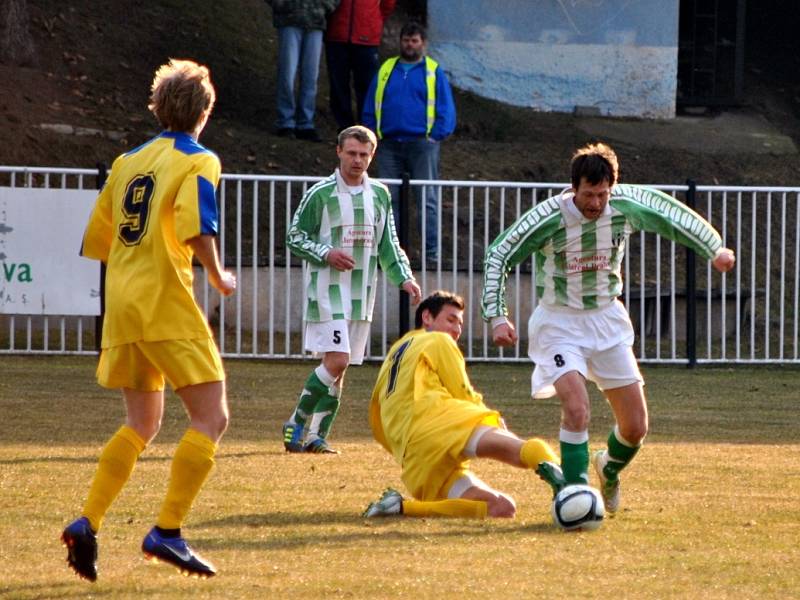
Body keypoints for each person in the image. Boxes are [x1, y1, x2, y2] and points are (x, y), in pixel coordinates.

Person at [481, 142, 736, 514]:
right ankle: (574, 494)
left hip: (606, 320)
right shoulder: (549, 217)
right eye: (588, 194)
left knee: (635, 427)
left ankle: (608, 468)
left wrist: (715, 248)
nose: (596, 203)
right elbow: (499, 253)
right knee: (577, 407)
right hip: (559, 322)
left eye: (602, 194)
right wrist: (497, 315)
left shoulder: (626, 205)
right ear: (573, 188)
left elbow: (672, 215)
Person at [60, 59, 236, 582]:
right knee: (212, 418)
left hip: (123, 302)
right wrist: (218, 274)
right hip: (165, 299)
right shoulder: (200, 159)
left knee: (143, 424)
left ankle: (87, 521)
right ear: (204, 112)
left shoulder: (127, 161)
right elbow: (196, 224)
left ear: (158, 107)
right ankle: (168, 532)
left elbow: (100, 238)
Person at [282, 125, 422, 454]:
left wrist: (405, 278)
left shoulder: (380, 195)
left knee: (339, 367)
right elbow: (294, 236)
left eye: (364, 154)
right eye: (352, 153)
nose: (357, 160)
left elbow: (388, 244)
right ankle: (296, 421)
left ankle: (317, 436)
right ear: (339, 152)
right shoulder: (321, 193)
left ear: (371, 156)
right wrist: (326, 253)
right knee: (338, 359)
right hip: (327, 289)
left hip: (362, 293)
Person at [363, 290, 564, 519]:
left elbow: (378, 416)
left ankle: (400, 507)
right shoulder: (438, 339)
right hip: (439, 425)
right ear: (426, 317)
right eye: (450, 320)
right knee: (521, 450)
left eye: (459, 324)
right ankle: (570, 487)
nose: (456, 329)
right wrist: (493, 419)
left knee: (501, 508)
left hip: (415, 457)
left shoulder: (395, 352)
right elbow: (463, 391)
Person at [362, 21, 456, 262]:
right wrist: (372, 134)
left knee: (427, 199)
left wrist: (435, 135)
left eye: (414, 41)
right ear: (400, 42)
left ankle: (431, 254)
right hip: (389, 144)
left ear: (423, 44)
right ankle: (394, 254)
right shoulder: (386, 69)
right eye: (406, 40)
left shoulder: (433, 71)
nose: (410, 45)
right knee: (388, 201)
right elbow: (371, 103)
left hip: (422, 145)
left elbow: (446, 109)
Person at [266, 0, 340, 141]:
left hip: (316, 21)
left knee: (311, 76)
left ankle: (306, 123)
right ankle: (286, 121)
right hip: (290, 19)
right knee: (287, 74)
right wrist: (283, 4)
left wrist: (324, 6)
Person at [324, 0, 396, 130]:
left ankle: (367, 126)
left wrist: (373, 20)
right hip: (337, 34)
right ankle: (345, 126)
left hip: (366, 36)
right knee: (338, 85)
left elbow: (388, 4)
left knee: (367, 86)